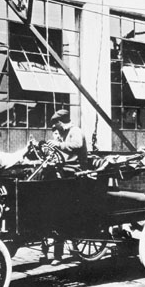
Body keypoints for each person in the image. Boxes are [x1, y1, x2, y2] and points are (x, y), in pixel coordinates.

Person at [44, 109, 89, 265]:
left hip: (77, 175)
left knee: (62, 213)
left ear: (61, 122)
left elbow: (76, 145)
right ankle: (62, 250)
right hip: (66, 174)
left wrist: (58, 144)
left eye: (56, 125)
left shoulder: (75, 131)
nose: (55, 128)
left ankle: (59, 255)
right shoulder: (63, 133)